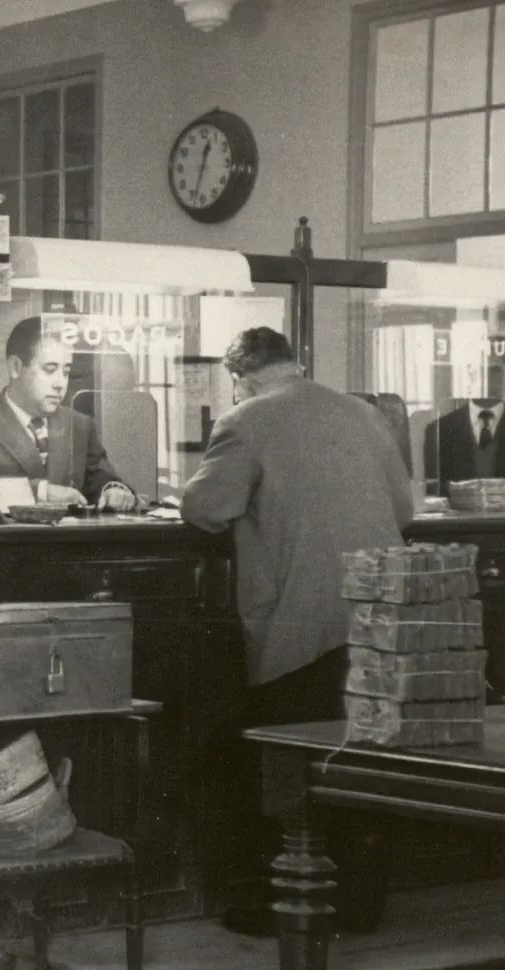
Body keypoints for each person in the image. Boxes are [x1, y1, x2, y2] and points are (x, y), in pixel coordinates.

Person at [181, 327, 414, 937]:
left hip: (300, 623)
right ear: (296, 365)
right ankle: (362, 906)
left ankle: (295, 910)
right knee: (366, 757)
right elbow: (406, 511)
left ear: (242, 377)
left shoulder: (245, 419)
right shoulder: (362, 413)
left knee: (296, 767)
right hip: (378, 616)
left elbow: (206, 509)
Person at [0, 316, 139, 510]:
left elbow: (101, 478)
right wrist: (41, 493)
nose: (60, 384)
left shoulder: (79, 425)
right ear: (15, 367)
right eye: (49, 370)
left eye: (66, 372)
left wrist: (113, 490)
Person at [422, 365, 505, 496]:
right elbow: (433, 490)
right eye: (480, 370)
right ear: (468, 374)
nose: (488, 379)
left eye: (494, 370)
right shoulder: (439, 430)